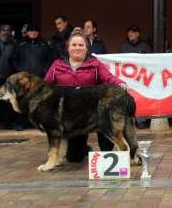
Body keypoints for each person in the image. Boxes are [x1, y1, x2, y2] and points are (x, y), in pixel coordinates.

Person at [44, 31, 128, 162]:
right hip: (73, 118)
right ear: (68, 47)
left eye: (81, 45)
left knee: (106, 133)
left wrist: (120, 83)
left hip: (95, 112)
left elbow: (107, 77)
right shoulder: (56, 66)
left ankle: (106, 155)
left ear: (86, 47)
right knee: (74, 158)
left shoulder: (95, 64)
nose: (77, 48)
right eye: (74, 45)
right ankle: (85, 149)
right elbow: (46, 87)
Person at [9, 23, 53, 131]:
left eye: (35, 31)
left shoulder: (44, 45)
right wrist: (19, 71)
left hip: (40, 78)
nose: (33, 33)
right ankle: (21, 123)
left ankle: (39, 123)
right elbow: (12, 59)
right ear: (27, 32)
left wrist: (46, 70)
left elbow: (50, 59)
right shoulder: (20, 45)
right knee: (22, 100)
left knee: (39, 101)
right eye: (31, 31)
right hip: (24, 79)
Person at [118, 25, 151, 129]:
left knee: (140, 98)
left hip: (141, 79)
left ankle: (141, 120)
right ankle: (127, 120)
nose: (130, 34)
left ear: (138, 34)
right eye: (129, 32)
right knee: (126, 98)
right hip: (126, 78)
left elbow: (150, 62)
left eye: (132, 32)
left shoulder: (145, 47)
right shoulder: (123, 47)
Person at [0, 24, 17, 130]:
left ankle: (7, 123)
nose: (6, 32)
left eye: (8, 30)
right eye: (3, 30)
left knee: (8, 101)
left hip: (9, 76)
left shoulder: (14, 43)